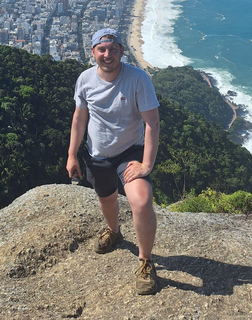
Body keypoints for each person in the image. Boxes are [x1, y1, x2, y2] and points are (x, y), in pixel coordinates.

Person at [66, 28, 160, 295]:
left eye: (113, 48)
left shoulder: (138, 79)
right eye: (101, 49)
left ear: (121, 50)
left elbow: (152, 122)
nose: (107, 54)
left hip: (129, 152)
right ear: (93, 52)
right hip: (98, 154)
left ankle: (145, 261)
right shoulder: (84, 80)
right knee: (106, 198)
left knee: (141, 201)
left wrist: (146, 164)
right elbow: (79, 118)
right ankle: (114, 231)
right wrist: (72, 154)